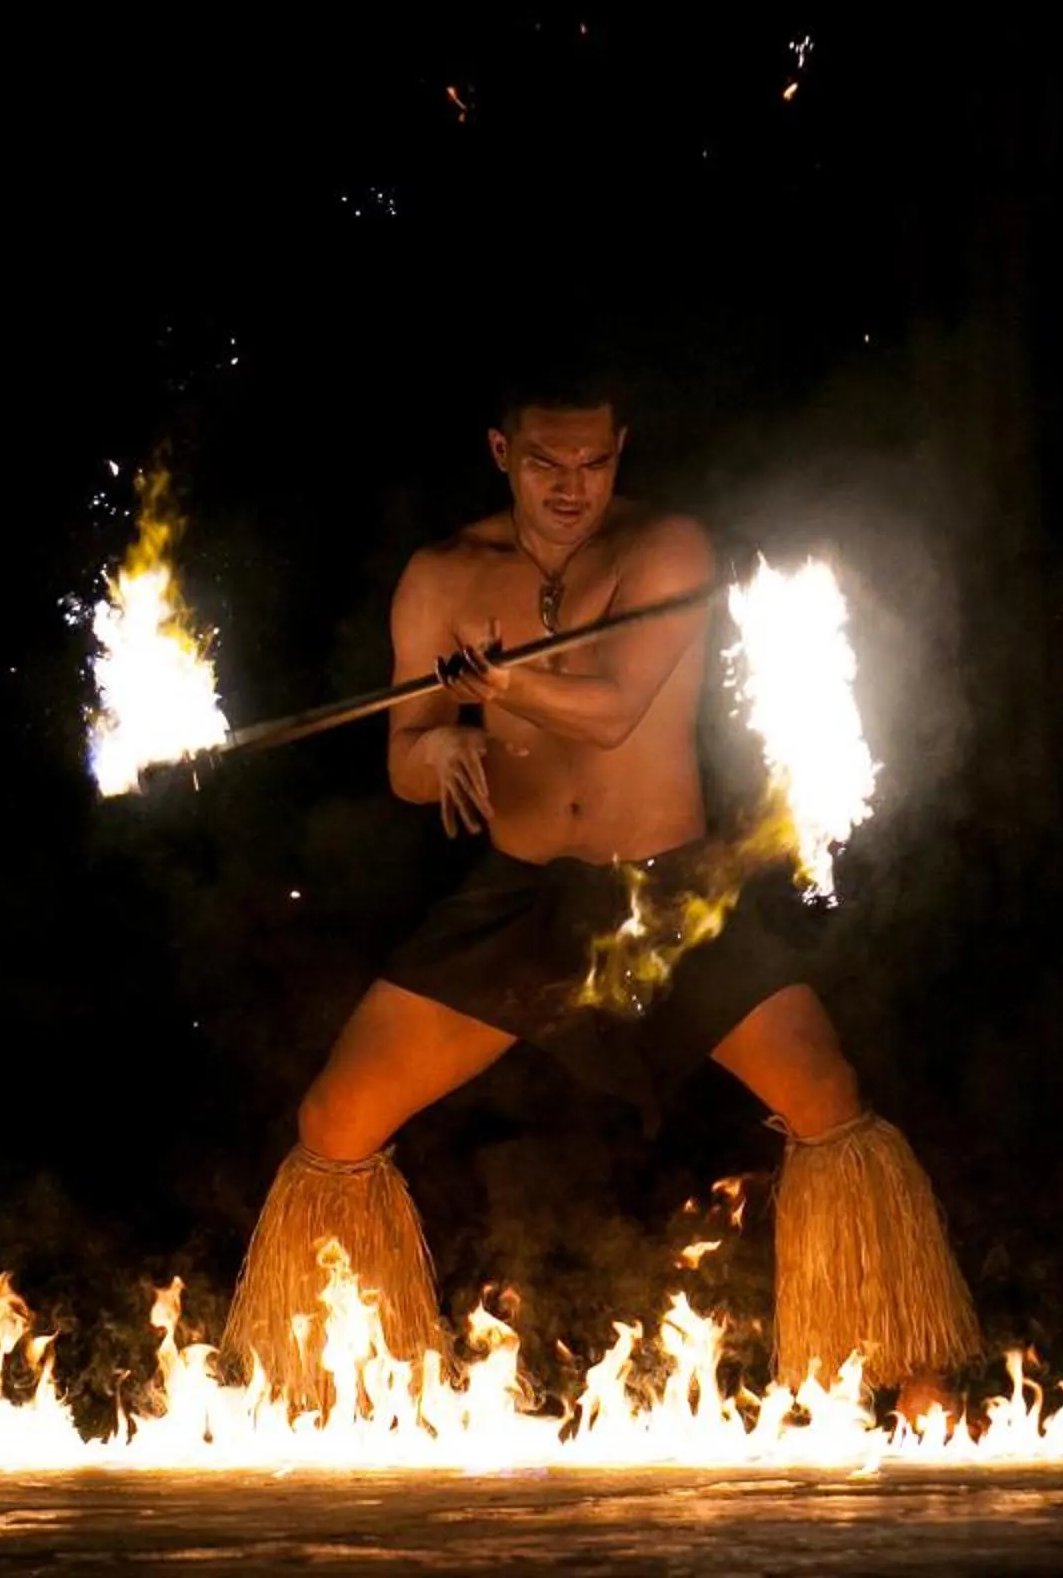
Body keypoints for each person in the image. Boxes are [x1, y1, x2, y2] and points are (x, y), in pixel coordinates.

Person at [220, 362, 980, 1424]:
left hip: (666, 896)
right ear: (501, 453)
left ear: (619, 451)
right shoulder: (439, 576)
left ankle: (916, 1375)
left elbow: (615, 706)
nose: (572, 484)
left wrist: (500, 684)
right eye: (545, 461)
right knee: (335, 1114)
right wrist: (436, 749)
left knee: (823, 1090)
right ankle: (331, 1385)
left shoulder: (666, 550)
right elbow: (402, 756)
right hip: (521, 898)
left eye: (594, 459)